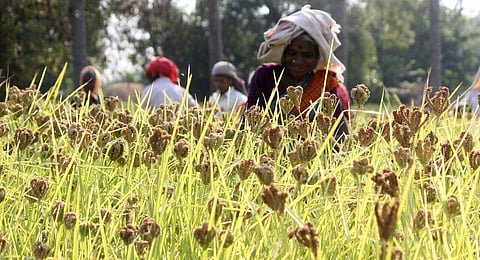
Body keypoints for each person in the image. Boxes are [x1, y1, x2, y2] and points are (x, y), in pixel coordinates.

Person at [247, 5, 351, 136]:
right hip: (267, 149)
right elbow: (248, 119)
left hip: (309, 151)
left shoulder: (323, 82)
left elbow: (339, 126)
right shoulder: (265, 75)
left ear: (317, 58)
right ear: (284, 55)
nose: (298, 61)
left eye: (307, 55)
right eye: (292, 53)